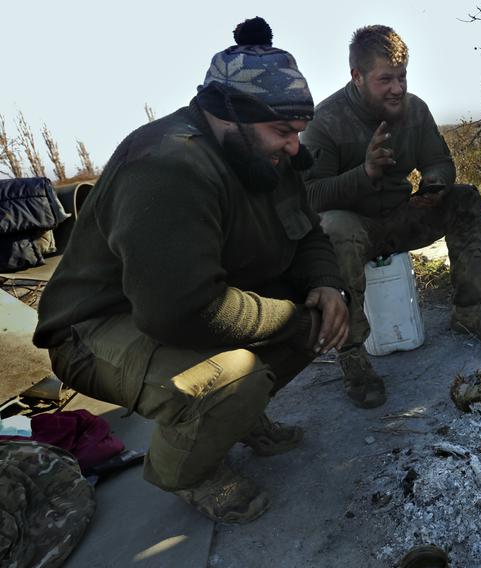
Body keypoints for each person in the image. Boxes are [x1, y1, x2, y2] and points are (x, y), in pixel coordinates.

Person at [32, 18, 351, 523]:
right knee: (232, 381)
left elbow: (306, 231)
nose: (294, 146)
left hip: (185, 302)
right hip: (97, 326)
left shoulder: (265, 154)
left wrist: (327, 285)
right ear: (230, 115)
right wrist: (292, 319)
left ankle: (234, 421)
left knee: (324, 318)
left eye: (298, 131)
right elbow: (184, 311)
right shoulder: (168, 164)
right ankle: (190, 471)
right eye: (282, 132)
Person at [301, 25, 481, 409]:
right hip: (357, 230)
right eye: (385, 79)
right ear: (357, 77)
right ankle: (353, 357)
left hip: (404, 218)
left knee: (465, 199)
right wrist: (365, 173)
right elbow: (310, 195)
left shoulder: (415, 110)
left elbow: (439, 161)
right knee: (336, 228)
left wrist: (434, 185)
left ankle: (469, 315)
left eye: (402, 76)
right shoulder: (325, 121)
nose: (397, 87)